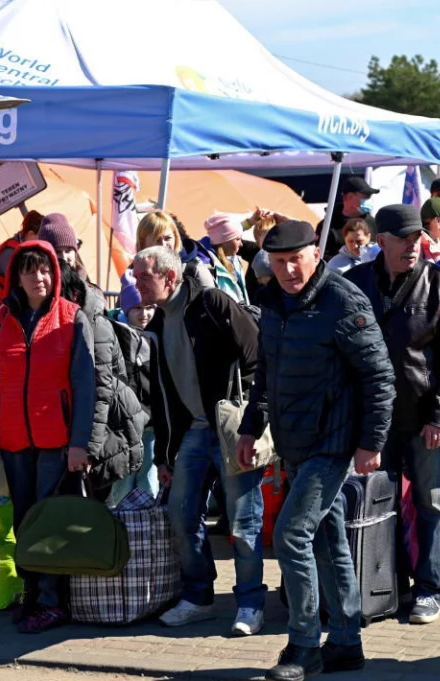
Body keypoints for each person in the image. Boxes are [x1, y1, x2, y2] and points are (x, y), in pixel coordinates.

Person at [237, 220, 395, 681]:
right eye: (280, 263)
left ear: (315, 253)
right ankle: (346, 642)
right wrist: (250, 429)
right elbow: (266, 372)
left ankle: (304, 645)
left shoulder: (343, 301)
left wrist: (371, 442)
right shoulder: (272, 303)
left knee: (290, 535)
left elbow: (379, 377)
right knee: (328, 541)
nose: (288, 271)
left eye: (296, 260)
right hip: (294, 441)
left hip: (333, 441)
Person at [344, 205, 440, 625]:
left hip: (425, 418)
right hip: (373, 420)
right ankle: (387, 587)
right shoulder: (355, 283)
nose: (413, 245)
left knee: (432, 501)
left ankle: (431, 590)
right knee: (379, 506)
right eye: (402, 239)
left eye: (417, 237)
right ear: (380, 241)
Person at [131, 245, 267, 637]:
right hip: (191, 432)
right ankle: (199, 597)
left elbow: (258, 356)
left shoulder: (213, 303)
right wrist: (164, 455)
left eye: (143, 276)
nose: (136, 283)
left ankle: (250, 603)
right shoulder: (157, 324)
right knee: (181, 514)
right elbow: (161, 395)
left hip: (230, 432)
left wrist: (251, 423)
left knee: (244, 522)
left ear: (169, 278)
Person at [0, 242, 96, 634]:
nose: (37, 278)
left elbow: (86, 384)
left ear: (55, 274)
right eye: (28, 270)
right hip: (14, 439)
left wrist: (80, 442)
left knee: (48, 521)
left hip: (56, 441)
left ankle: (53, 602)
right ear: (17, 278)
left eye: (44, 270)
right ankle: (32, 592)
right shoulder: (3, 321)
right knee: (24, 521)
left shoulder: (72, 318)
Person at [39, 214, 145, 494]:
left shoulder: (89, 306)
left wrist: (90, 446)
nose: (64, 258)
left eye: (68, 250)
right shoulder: (35, 306)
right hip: (52, 429)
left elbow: (101, 383)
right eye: (56, 252)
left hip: (90, 432)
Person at [105, 283, 160, 507]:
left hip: (151, 423)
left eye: (149, 307)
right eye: (137, 308)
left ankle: (147, 529)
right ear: (126, 309)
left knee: (149, 480)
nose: (144, 314)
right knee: (122, 483)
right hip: (122, 425)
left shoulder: (159, 333)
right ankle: (118, 532)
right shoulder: (113, 333)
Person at [136, 210, 216, 290]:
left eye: (168, 238)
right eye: (157, 240)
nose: (164, 245)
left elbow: (212, 300)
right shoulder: (133, 274)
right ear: (143, 243)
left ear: (176, 238)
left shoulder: (195, 271)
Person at [0, 209, 44, 313]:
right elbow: (21, 283)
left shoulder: (24, 249)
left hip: (2, 308)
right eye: (41, 237)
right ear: (30, 234)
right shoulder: (10, 253)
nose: (43, 242)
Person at [316, 175, 378, 261]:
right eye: (365, 197)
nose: (369, 200)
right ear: (350, 197)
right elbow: (321, 256)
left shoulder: (373, 222)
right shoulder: (327, 225)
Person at [202, 213, 251, 304]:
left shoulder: (233, 259)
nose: (241, 244)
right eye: (238, 239)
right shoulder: (207, 266)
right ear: (224, 241)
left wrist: (250, 222)